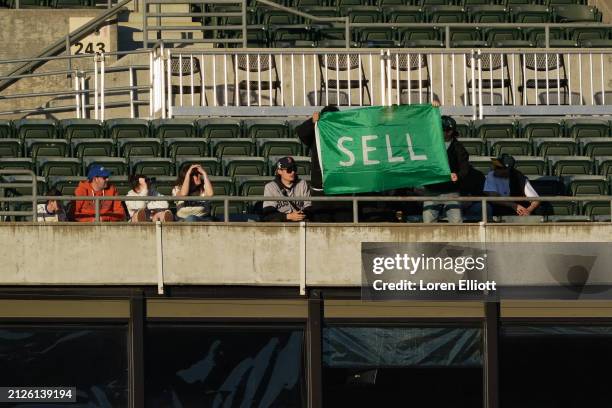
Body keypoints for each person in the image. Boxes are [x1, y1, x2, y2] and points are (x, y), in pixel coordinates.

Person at [296, 105, 353, 222]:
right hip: (320, 189)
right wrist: (312, 121)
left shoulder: (346, 132)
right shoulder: (316, 132)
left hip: (342, 188)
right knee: (321, 225)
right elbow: (302, 133)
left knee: (344, 224)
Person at [421, 115, 470, 223]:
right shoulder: (429, 145)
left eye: (441, 129)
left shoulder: (459, 148)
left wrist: (457, 176)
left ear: (449, 132)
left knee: (456, 223)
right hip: (432, 189)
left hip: (451, 190)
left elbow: (464, 169)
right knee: (428, 224)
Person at [262, 157, 311, 222]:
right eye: (289, 170)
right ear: (280, 171)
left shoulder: (302, 184)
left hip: (300, 222)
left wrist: (300, 215)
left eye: (294, 169)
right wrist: (288, 216)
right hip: (281, 224)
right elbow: (268, 213)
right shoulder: (271, 187)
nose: (293, 172)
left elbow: (309, 207)